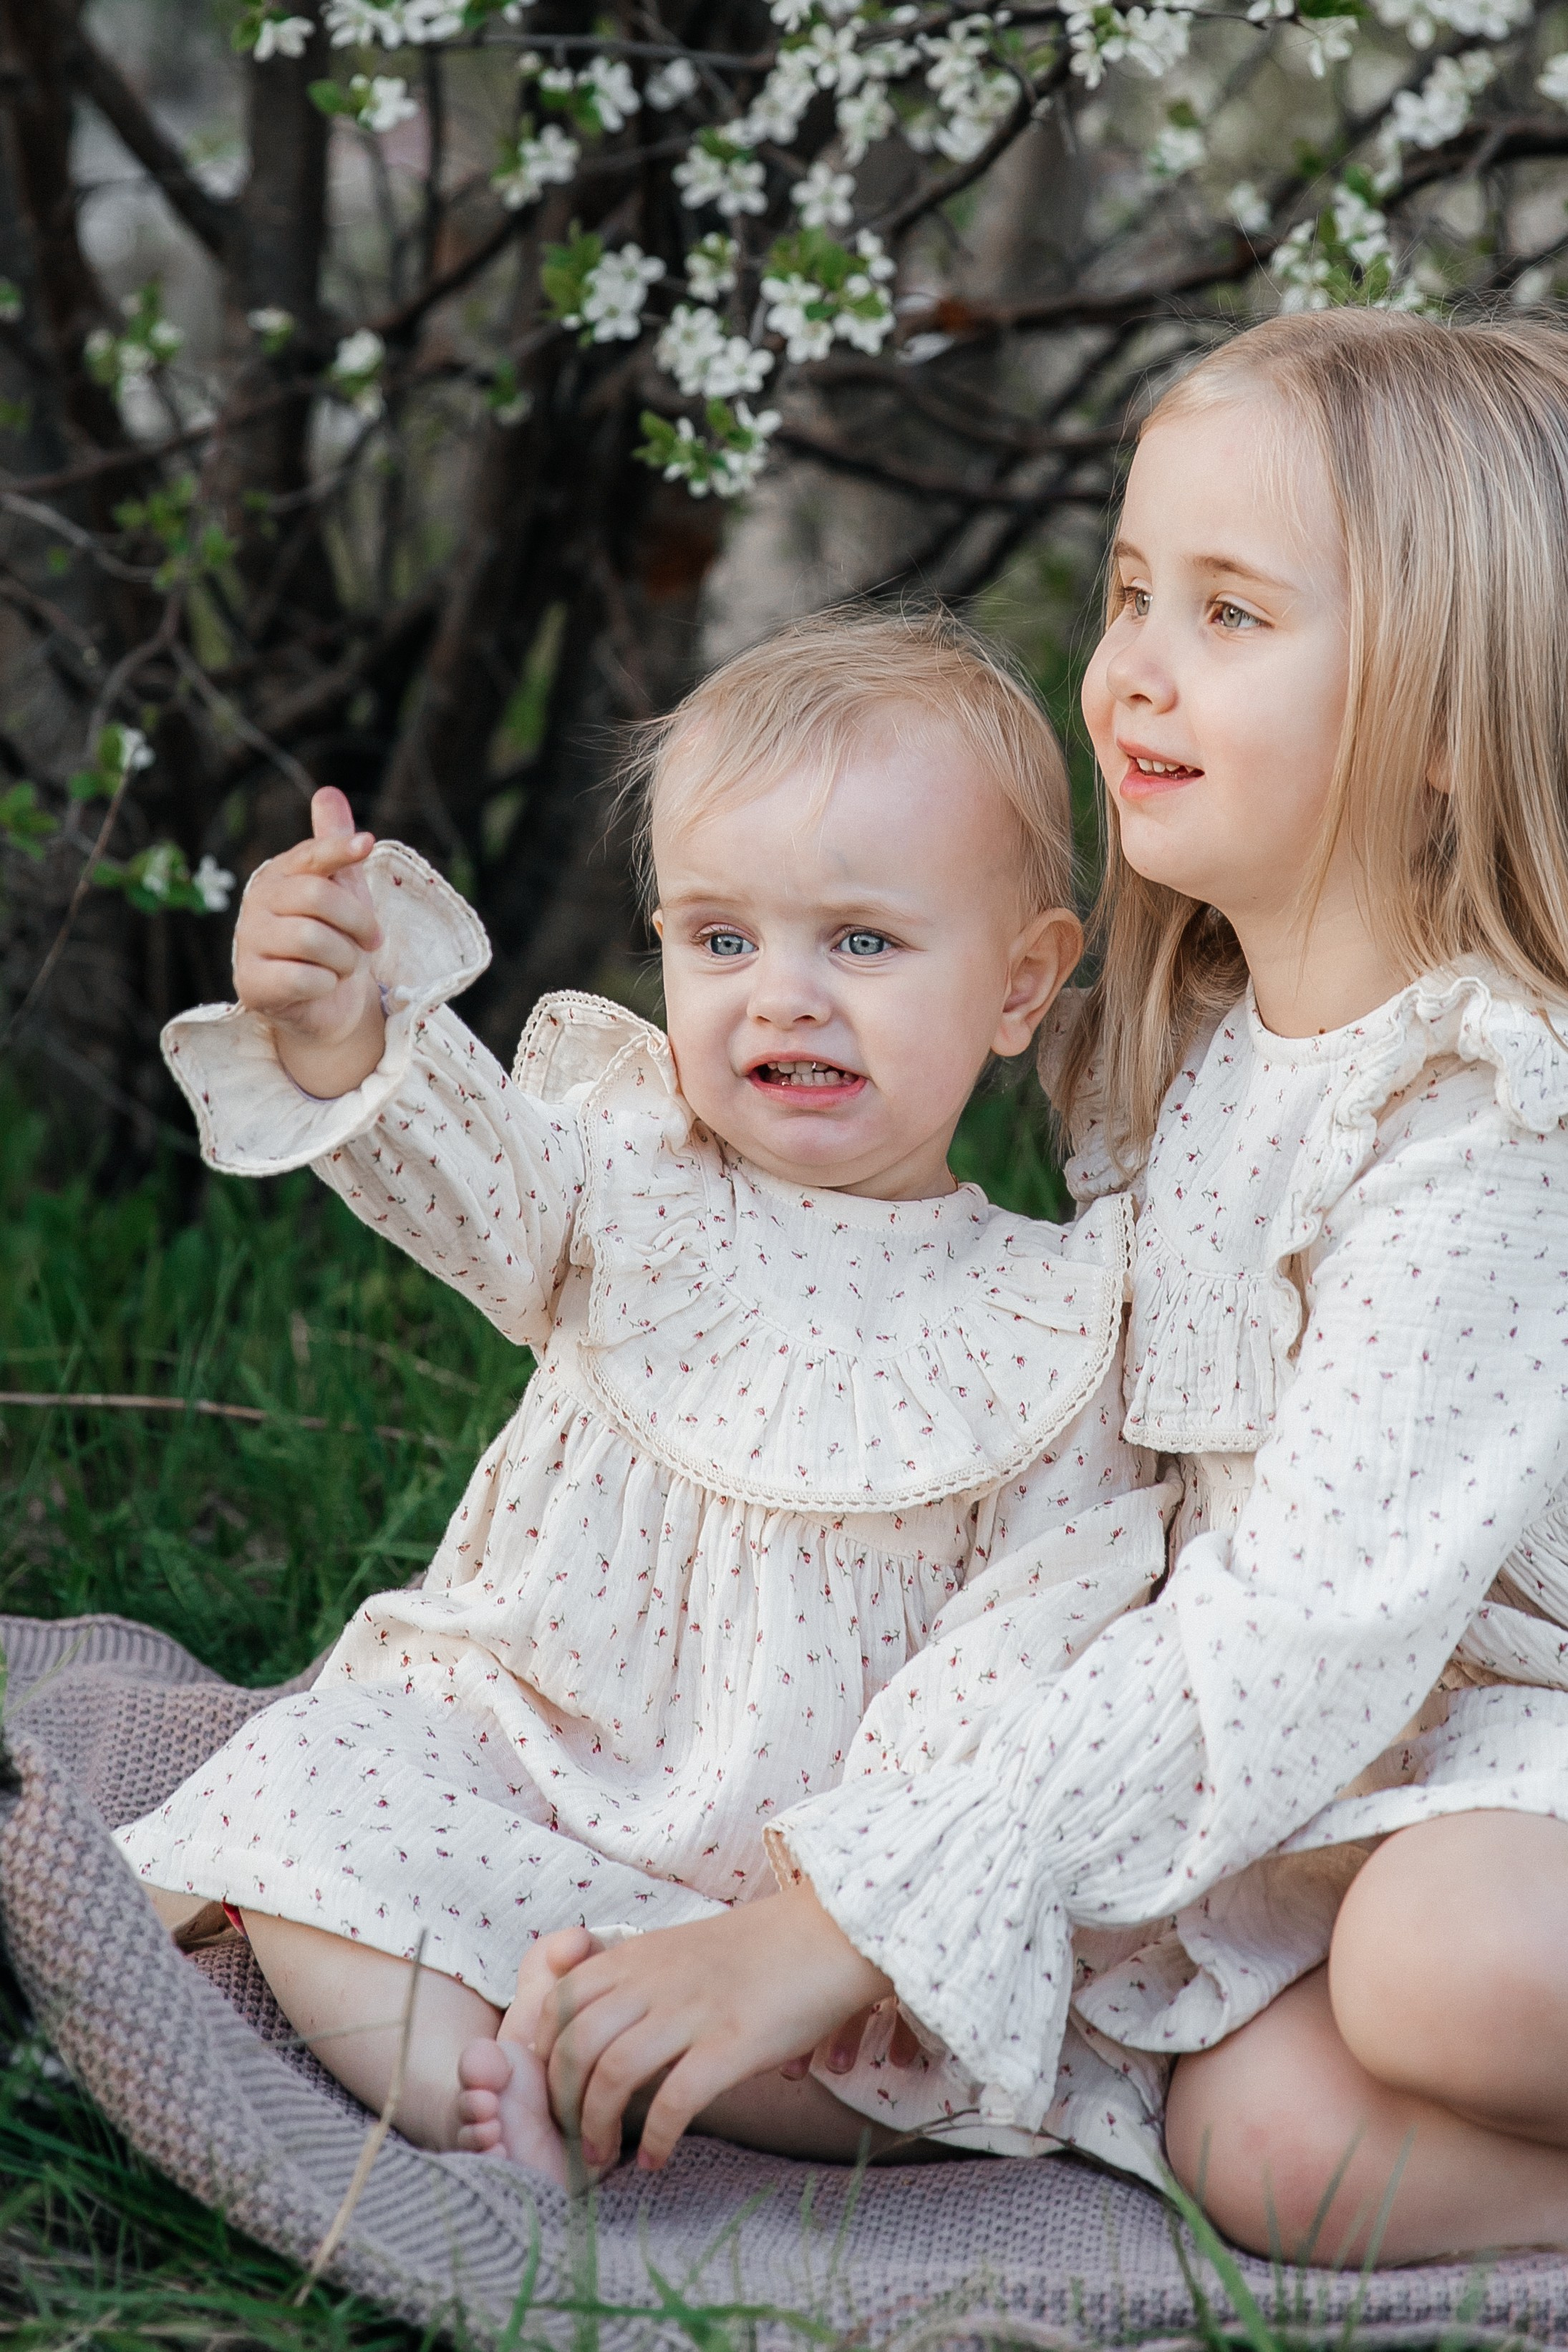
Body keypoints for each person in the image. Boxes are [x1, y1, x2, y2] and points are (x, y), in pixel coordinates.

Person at [527, 311, 1568, 2265]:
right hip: (1389, 1773)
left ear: (1446, 712)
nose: (1131, 671)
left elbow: (1291, 1629)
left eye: (1231, 613)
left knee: (1434, 1966)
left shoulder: (1485, 1129)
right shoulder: (1188, 1040)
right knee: (1265, 2145)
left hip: (1458, 1736)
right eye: (1125, 592)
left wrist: (842, 1920)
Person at [117, 609, 1173, 2185]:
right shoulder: (622, 1185)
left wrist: (822, 1922)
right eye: (721, 939)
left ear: (1022, 984)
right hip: (535, 1794)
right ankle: (496, 2094)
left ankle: (643, 2065)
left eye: (863, 941)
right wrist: (340, 1026)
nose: (783, 999)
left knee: (946, 2018)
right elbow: (459, 1171)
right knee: (312, 1786)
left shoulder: (1058, 1320)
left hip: (792, 1925)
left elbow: (1014, 1665)